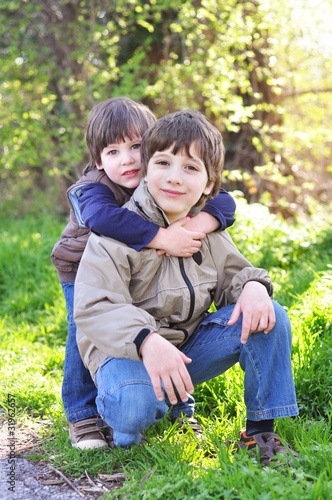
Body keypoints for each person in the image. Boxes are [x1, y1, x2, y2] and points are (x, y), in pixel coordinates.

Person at [74, 109, 299, 466]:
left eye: (191, 168)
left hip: (186, 351)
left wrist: (253, 286)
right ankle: (121, 415)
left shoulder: (203, 227)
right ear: (146, 169)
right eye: (163, 163)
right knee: (136, 407)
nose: (175, 179)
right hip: (129, 353)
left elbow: (233, 274)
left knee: (270, 316)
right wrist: (146, 341)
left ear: (210, 184)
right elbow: (95, 306)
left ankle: (259, 432)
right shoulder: (117, 231)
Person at [51, 98, 236, 450]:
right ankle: (82, 415)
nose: (128, 159)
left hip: (133, 270)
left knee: (164, 322)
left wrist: (202, 220)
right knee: (83, 331)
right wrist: (162, 236)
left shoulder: (160, 176)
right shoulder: (91, 189)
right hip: (81, 270)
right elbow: (105, 220)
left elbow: (224, 201)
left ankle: (182, 409)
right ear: (97, 160)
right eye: (113, 151)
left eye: (137, 146)